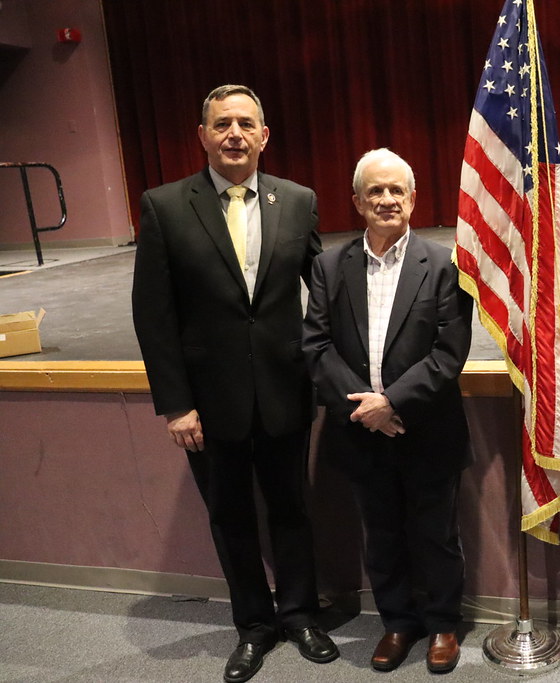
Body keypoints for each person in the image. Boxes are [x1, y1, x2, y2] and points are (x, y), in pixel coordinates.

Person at [131, 84, 338, 683]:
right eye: (222, 124)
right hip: (208, 402)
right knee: (229, 516)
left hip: (284, 390)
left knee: (291, 508)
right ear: (202, 136)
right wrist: (176, 405)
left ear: (264, 136)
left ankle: (299, 615)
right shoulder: (165, 206)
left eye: (246, 123)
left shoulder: (297, 201)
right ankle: (253, 625)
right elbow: (153, 315)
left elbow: (323, 296)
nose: (234, 134)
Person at [302, 148, 473, 674]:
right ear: (357, 201)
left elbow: (449, 352)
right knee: (380, 535)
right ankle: (398, 622)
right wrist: (367, 409)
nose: (386, 199)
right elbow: (316, 347)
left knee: (437, 535)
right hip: (360, 430)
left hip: (427, 427)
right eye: (374, 190)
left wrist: (392, 402)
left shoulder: (445, 265)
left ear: (413, 199)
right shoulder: (329, 266)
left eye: (396, 189)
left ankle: (443, 624)